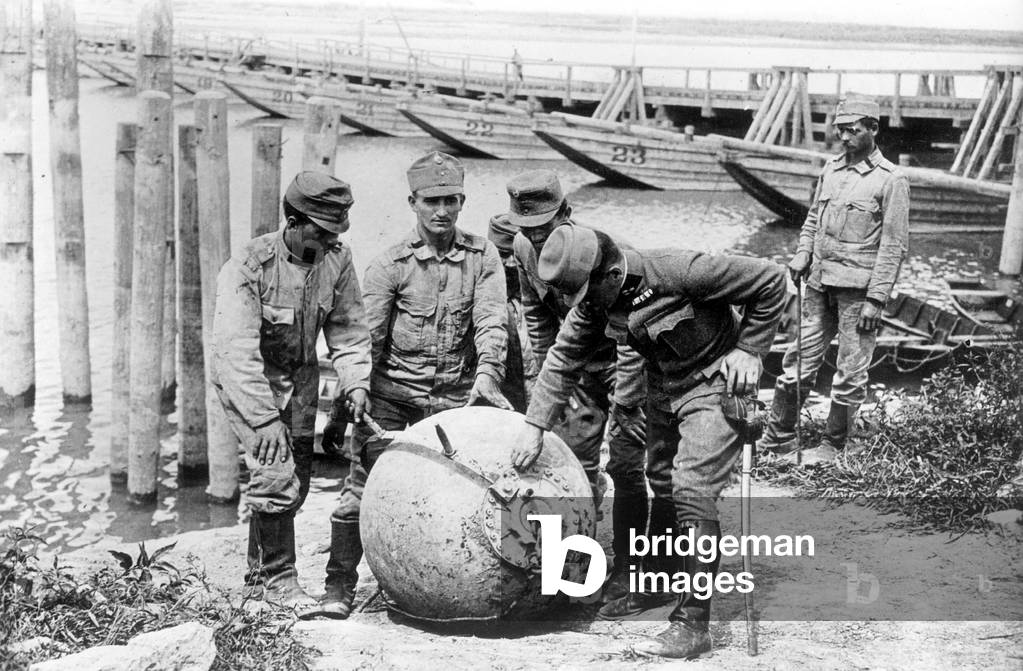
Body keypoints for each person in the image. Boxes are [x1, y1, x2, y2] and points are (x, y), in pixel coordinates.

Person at [511, 224, 786, 658]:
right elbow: (562, 358)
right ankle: (657, 581)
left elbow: (772, 279)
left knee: (692, 489)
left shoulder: (680, 271)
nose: (581, 309)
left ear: (611, 276)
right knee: (660, 480)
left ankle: (693, 625)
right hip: (664, 388)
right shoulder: (596, 300)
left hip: (715, 384)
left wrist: (750, 349)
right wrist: (535, 425)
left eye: (585, 298)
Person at [323, 151, 511, 619]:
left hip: (455, 399)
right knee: (359, 490)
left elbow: (491, 322)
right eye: (432, 201)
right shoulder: (390, 265)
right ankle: (338, 585)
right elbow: (364, 340)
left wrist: (487, 376)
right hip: (393, 398)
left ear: (463, 200)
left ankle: (445, 585)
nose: (441, 211)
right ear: (413, 202)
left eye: (450, 200)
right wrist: (354, 394)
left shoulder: (484, 257)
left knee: (466, 493)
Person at [211, 171, 372, 613]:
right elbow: (234, 353)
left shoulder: (337, 261)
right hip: (251, 384)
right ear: (293, 220)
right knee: (275, 474)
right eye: (319, 232)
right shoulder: (248, 266)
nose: (325, 242)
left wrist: (355, 383)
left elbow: (350, 332)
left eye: (334, 233)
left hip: (299, 384)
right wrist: (263, 420)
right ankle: (279, 582)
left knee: (294, 485)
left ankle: (257, 575)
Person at [504, 169, 647, 604]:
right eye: (526, 228)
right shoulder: (523, 249)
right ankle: (574, 566)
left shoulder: (608, 253)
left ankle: (629, 568)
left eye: (544, 226)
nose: (536, 236)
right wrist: (549, 386)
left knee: (626, 465)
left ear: (566, 213)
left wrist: (626, 400)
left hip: (626, 361)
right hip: (576, 367)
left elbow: (633, 333)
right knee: (571, 467)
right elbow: (537, 313)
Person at [760, 96, 910, 464]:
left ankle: (833, 444)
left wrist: (876, 300)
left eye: (852, 130)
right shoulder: (831, 169)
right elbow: (813, 218)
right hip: (818, 284)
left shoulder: (892, 180)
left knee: (850, 370)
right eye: (840, 130)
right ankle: (778, 438)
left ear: (873, 129)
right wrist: (801, 254)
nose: (844, 137)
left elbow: (894, 245)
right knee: (797, 360)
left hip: (858, 293)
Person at [488, 213, 530, 411]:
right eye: (504, 255)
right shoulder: (480, 299)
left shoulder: (545, 293)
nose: (512, 263)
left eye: (516, 255)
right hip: (501, 405)